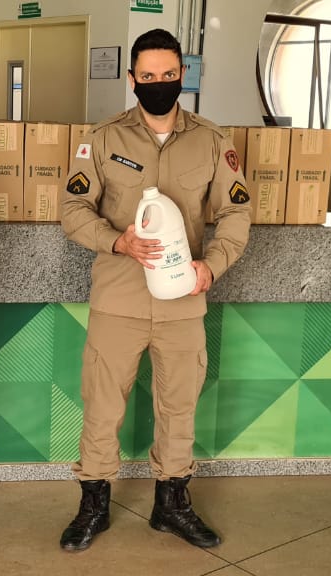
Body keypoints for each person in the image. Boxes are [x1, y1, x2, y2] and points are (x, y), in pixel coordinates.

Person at [58, 29, 251, 552]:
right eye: (148, 77)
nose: (159, 84)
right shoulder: (101, 139)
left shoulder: (213, 141)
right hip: (118, 300)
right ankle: (93, 505)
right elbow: (73, 211)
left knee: (179, 406)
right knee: (103, 406)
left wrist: (213, 265)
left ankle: (172, 505)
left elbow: (236, 213)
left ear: (182, 76)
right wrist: (116, 241)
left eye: (169, 76)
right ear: (132, 79)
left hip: (184, 300)